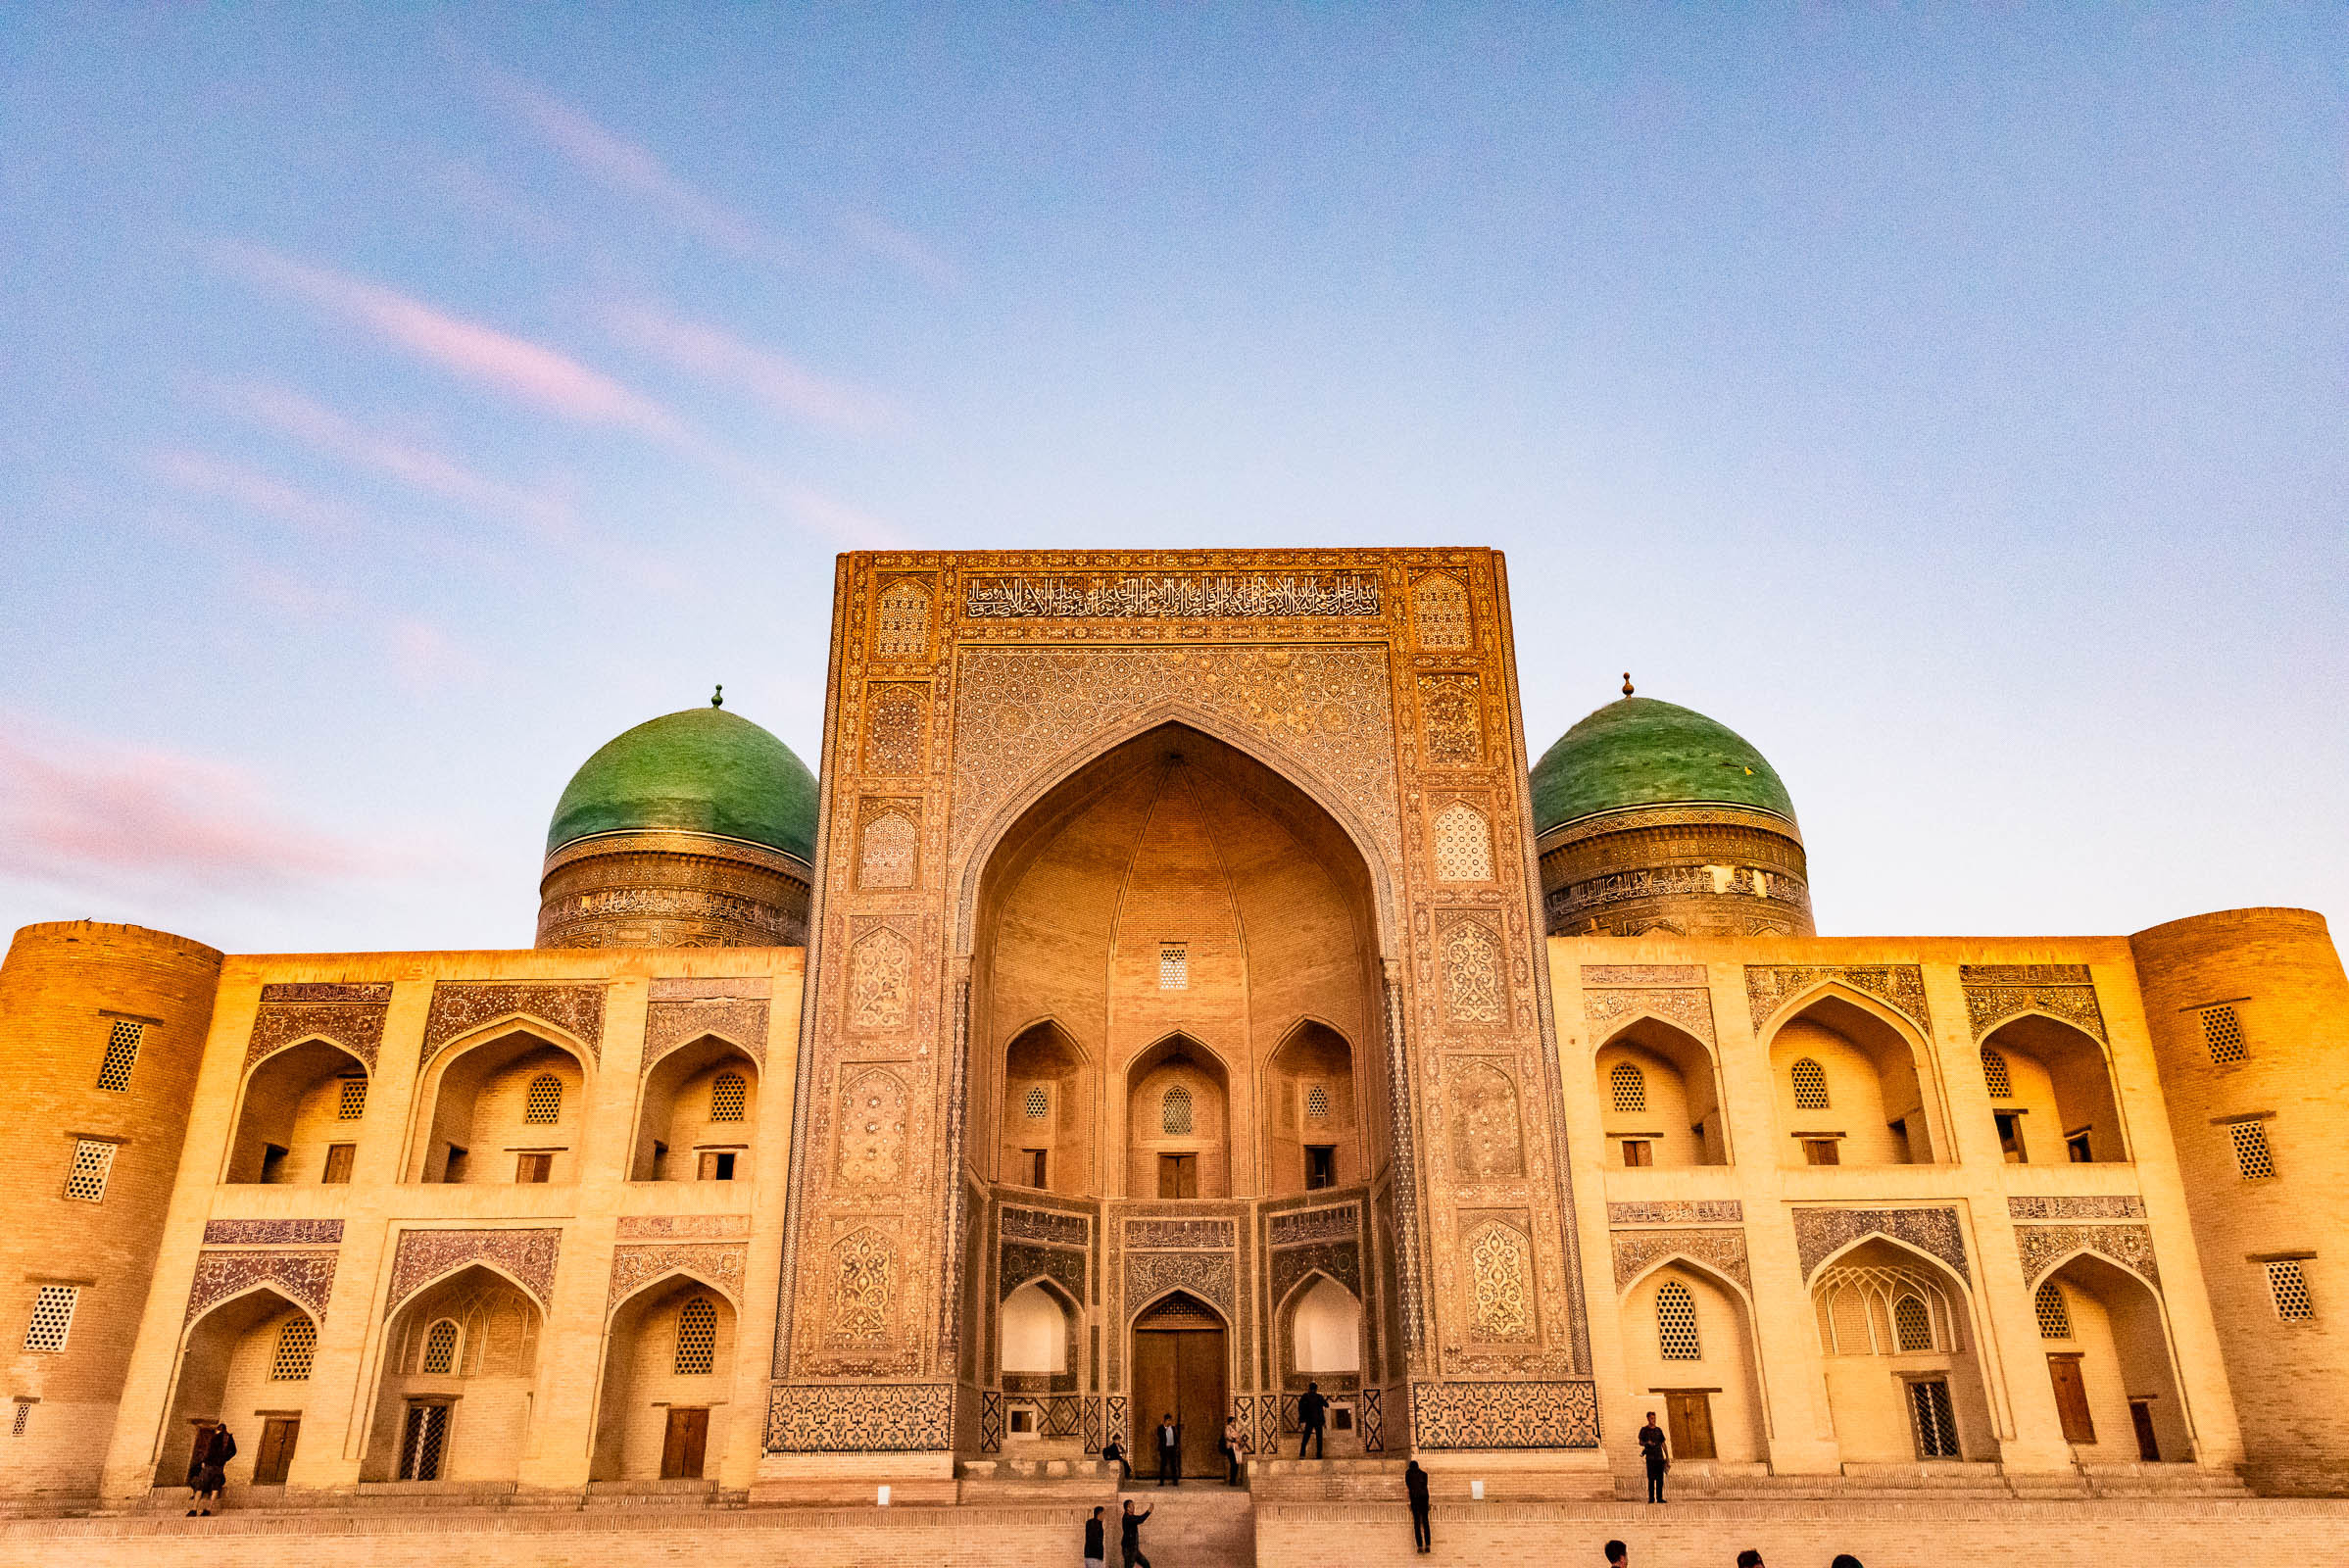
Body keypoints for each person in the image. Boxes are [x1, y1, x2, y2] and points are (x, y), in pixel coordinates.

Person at [184, 1419, 235, 1516]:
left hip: (210, 1466)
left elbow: (209, 1452)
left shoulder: (215, 1438)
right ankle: (208, 1509)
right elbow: (233, 1451)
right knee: (215, 1488)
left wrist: (204, 1462)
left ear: (217, 1430)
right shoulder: (228, 1438)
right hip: (219, 1467)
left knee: (200, 1487)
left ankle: (194, 1509)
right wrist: (224, 1459)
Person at [1637, 1408, 1669, 1503]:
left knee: (1660, 1479)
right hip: (1650, 1458)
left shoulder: (1658, 1430)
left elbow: (1663, 1443)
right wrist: (1647, 1443)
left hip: (1659, 1457)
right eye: (1651, 1418)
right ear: (1648, 1419)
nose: (1653, 1420)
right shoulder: (1644, 1430)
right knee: (1651, 1478)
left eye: (1654, 1418)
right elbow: (1640, 1442)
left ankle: (1659, 1498)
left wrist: (1667, 1457)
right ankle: (1651, 1498)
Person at [1404, 1458, 1432, 1553]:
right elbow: (1425, 1487)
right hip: (1424, 1500)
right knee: (1425, 1523)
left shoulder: (1408, 1474)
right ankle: (1428, 1545)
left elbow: (1408, 1485)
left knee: (1417, 1524)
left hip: (1415, 1500)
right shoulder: (1424, 1474)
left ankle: (1420, 1546)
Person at [1296, 1380, 1328, 1458]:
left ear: (1309, 1388)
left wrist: (1301, 1419)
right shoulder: (1319, 1397)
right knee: (1319, 1438)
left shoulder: (1305, 1396)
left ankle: (1302, 1454)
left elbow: (1300, 1407)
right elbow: (1326, 1405)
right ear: (1316, 1389)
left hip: (1309, 1420)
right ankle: (1319, 1455)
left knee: (1305, 1438)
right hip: (1318, 1421)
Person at [1120, 1497, 1153, 1568]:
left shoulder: (1130, 1516)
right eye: (1132, 1505)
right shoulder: (1127, 1518)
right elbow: (1140, 1519)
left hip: (1134, 1549)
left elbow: (1139, 1518)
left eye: (1133, 1505)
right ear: (1127, 1508)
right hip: (1129, 1549)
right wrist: (1148, 1511)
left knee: (1146, 1564)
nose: (1134, 1507)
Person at [1155, 1412, 1180, 1486]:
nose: (1170, 1422)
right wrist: (1166, 1428)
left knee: (1173, 1465)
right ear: (1165, 1420)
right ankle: (1161, 1482)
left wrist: (1176, 1447)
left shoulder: (1172, 1428)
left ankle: (1175, 1482)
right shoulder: (1160, 1428)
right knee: (1163, 1465)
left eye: (1170, 1420)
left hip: (1172, 1448)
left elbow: (1176, 1438)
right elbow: (1160, 1436)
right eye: (1168, 1420)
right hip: (1164, 1449)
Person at [1221, 1413, 1246, 1486]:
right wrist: (1235, 1439)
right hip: (1230, 1448)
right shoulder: (1228, 1428)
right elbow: (1228, 1436)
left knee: (1235, 1464)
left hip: (1234, 1448)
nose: (1234, 1423)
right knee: (1234, 1464)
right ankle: (1232, 1481)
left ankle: (1233, 1480)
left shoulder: (1232, 1428)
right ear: (1230, 1421)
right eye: (1233, 1421)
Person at [1084, 1504, 1107, 1568]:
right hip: (1095, 1557)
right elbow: (1096, 1540)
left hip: (1088, 1556)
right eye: (1103, 1514)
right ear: (1100, 1514)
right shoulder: (1097, 1525)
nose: (1104, 1516)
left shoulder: (1089, 1523)